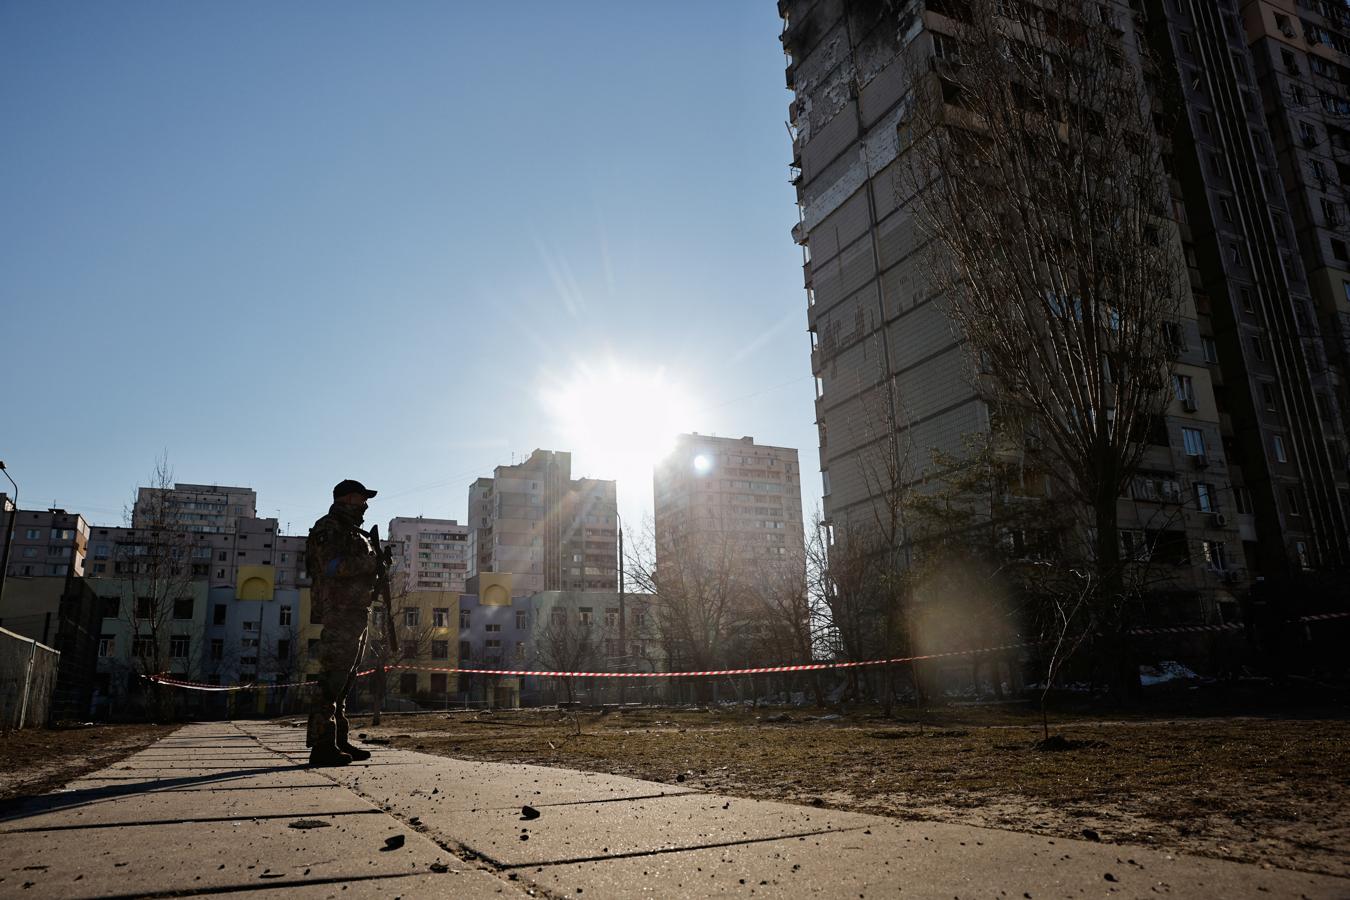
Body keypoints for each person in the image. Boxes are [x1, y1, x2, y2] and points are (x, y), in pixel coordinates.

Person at [305, 479, 380, 766]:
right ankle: (322, 746)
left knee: (345, 680)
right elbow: (331, 566)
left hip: (355, 609)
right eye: (362, 499)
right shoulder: (329, 528)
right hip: (339, 609)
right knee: (332, 677)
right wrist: (370, 564)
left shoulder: (352, 531)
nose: (365, 505)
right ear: (347, 499)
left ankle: (338, 739)